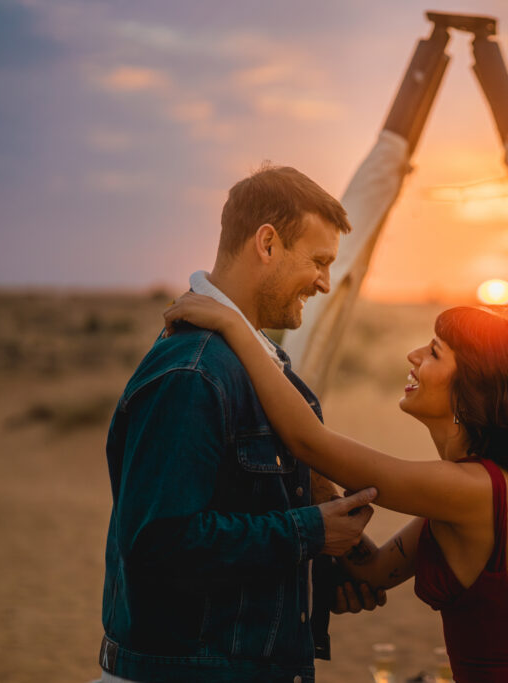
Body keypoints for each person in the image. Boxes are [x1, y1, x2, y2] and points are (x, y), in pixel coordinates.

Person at [163, 296, 508, 683]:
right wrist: (327, 508)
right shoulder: (465, 491)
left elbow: (309, 442)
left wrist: (233, 327)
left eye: (434, 352)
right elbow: (371, 571)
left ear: (476, 388)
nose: (413, 356)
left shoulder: (476, 489)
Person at [100, 165, 386, 683]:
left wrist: (323, 569)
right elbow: (159, 544)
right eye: (319, 261)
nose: (325, 281)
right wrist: (312, 534)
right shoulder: (193, 372)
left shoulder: (254, 362)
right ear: (268, 243)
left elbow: (245, 507)